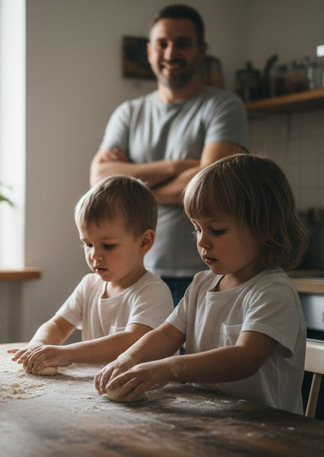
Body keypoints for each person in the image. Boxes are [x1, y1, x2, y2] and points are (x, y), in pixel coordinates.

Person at [94, 154, 309, 414]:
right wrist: (129, 358)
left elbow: (246, 358)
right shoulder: (201, 284)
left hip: (269, 431)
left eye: (217, 230)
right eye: (197, 228)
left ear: (265, 228)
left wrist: (168, 369)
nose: (202, 241)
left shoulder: (272, 291)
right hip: (209, 418)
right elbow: (166, 335)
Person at [90, 4, 248, 306]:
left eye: (183, 43)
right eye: (162, 43)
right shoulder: (128, 113)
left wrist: (132, 182)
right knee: (138, 355)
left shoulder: (224, 106)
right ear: (150, 51)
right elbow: (100, 178)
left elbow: (212, 184)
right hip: (136, 271)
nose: (171, 52)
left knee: (193, 355)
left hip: (205, 269)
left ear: (202, 51)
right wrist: (180, 166)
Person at [9, 176, 174, 375]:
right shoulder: (89, 285)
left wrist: (68, 353)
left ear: (144, 242)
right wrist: (37, 346)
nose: (94, 254)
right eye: (88, 244)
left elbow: (132, 340)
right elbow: (58, 326)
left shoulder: (152, 292)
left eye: (108, 245)